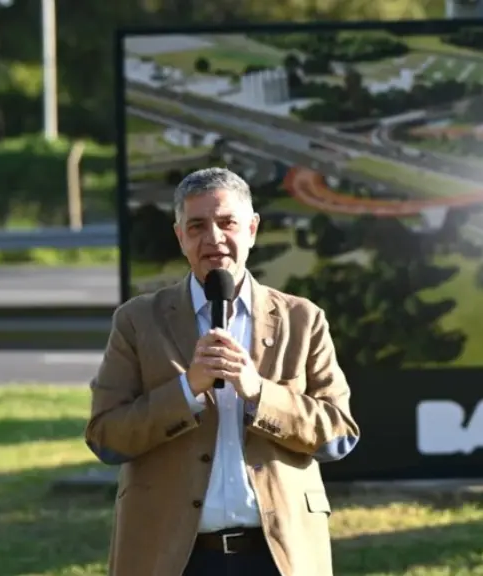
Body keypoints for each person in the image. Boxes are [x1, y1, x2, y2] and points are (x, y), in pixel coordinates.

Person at [84, 167, 360, 576]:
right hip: (173, 555)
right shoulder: (138, 321)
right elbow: (106, 437)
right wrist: (185, 389)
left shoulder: (301, 319)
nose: (213, 238)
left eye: (227, 222)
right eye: (196, 226)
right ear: (180, 237)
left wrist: (259, 393)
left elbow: (338, 434)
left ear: (251, 229)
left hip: (278, 554)